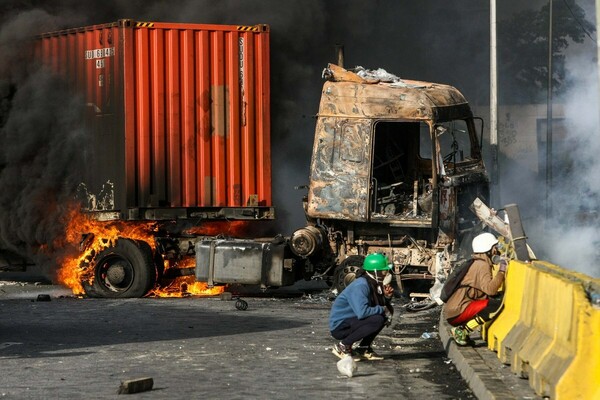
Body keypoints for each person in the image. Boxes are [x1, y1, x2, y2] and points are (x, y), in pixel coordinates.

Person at [444, 232, 507, 346]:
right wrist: (502, 270)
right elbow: (490, 289)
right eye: (494, 248)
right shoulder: (482, 265)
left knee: (494, 299)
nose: (496, 251)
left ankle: (463, 331)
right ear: (487, 249)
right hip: (458, 311)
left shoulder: (477, 263)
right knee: (495, 304)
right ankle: (463, 330)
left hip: (454, 310)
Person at [329, 253, 394, 361]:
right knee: (378, 318)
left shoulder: (373, 283)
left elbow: (377, 304)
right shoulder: (361, 285)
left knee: (384, 314)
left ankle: (363, 348)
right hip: (340, 326)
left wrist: (387, 298)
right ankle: (343, 346)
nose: (386, 274)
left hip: (352, 320)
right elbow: (362, 312)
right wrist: (382, 309)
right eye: (384, 271)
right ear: (375, 271)